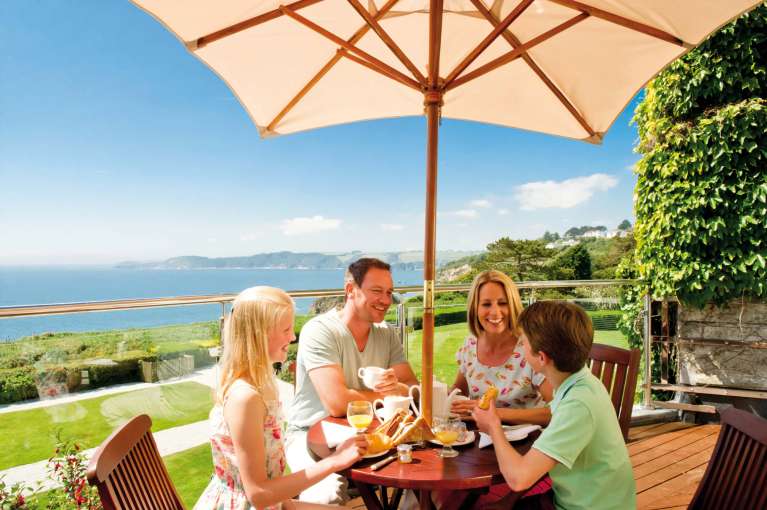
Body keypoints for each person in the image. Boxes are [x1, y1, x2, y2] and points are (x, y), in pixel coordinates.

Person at [194, 286, 368, 510]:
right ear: (259, 336)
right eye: (286, 330)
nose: (293, 336)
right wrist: (335, 461)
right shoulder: (245, 398)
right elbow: (257, 494)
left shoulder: (259, 385)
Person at [472, 301, 637, 510]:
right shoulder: (578, 382)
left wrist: (493, 427)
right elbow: (542, 458)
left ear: (541, 358)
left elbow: (518, 479)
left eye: (522, 343)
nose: (519, 347)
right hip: (576, 498)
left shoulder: (578, 405)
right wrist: (506, 503)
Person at [286, 258, 420, 504]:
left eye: (389, 292)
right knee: (324, 496)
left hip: (373, 434)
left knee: (418, 484)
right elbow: (338, 404)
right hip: (311, 435)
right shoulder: (321, 331)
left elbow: (414, 387)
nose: (386, 300)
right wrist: (393, 395)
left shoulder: (386, 333)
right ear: (350, 290)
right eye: (377, 291)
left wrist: (401, 388)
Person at [450, 270, 552, 425]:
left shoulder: (531, 347)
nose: (495, 312)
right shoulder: (471, 344)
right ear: (475, 308)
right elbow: (458, 393)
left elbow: (555, 411)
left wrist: (496, 414)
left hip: (525, 443)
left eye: (503, 303)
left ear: (513, 304)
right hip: (480, 440)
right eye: (486, 304)